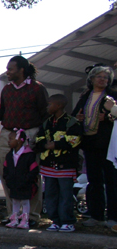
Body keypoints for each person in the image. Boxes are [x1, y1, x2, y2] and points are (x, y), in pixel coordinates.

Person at [0, 56, 48, 225]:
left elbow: (45, 114)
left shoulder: (37, 89)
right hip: (8, 133)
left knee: (31, 175)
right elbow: (3, 110)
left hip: (30, 132)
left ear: (22, 70)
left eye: (11, 69)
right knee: (6, 173)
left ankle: (31, 216)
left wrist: (40, 137)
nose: (7, 72)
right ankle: (13, 214)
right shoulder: (7, 89)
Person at [71, 65, 117, 227]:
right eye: (99, 76)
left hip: (107, 143)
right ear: (91, 79)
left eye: (106, 77)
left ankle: (113, 217)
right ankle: (96, 216)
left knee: (111, 180)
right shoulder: (85, 96)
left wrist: (110, 116)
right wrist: (78, 117)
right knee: (94, 180)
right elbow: (72, 118)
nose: (103, 79)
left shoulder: (112, 96)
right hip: (89, 143)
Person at [35, 94, 82, 232]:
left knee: (66, 195)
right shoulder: (46, 122)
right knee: (50, 195)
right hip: (48, 166)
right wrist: (45, 145)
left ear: (59, 106)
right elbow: (39, 138)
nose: (47, 106)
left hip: (65, 166)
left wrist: (55, 145)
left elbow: (74, 140)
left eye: (50, 104)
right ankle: (55, 221)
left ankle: (67, 221)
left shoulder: (71, 122)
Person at [3, 130, 39, 229]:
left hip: (25, 183)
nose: (8, 141)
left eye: (11, 139)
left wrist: (27, 180)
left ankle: (25, 220)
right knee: (15, 200)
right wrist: (8, 180)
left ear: (19, 140)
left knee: (25, 201)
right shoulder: (9, 155)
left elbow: (34, 170)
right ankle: (14, 219)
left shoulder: (29, 155)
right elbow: (5, 169)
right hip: (14, 183)